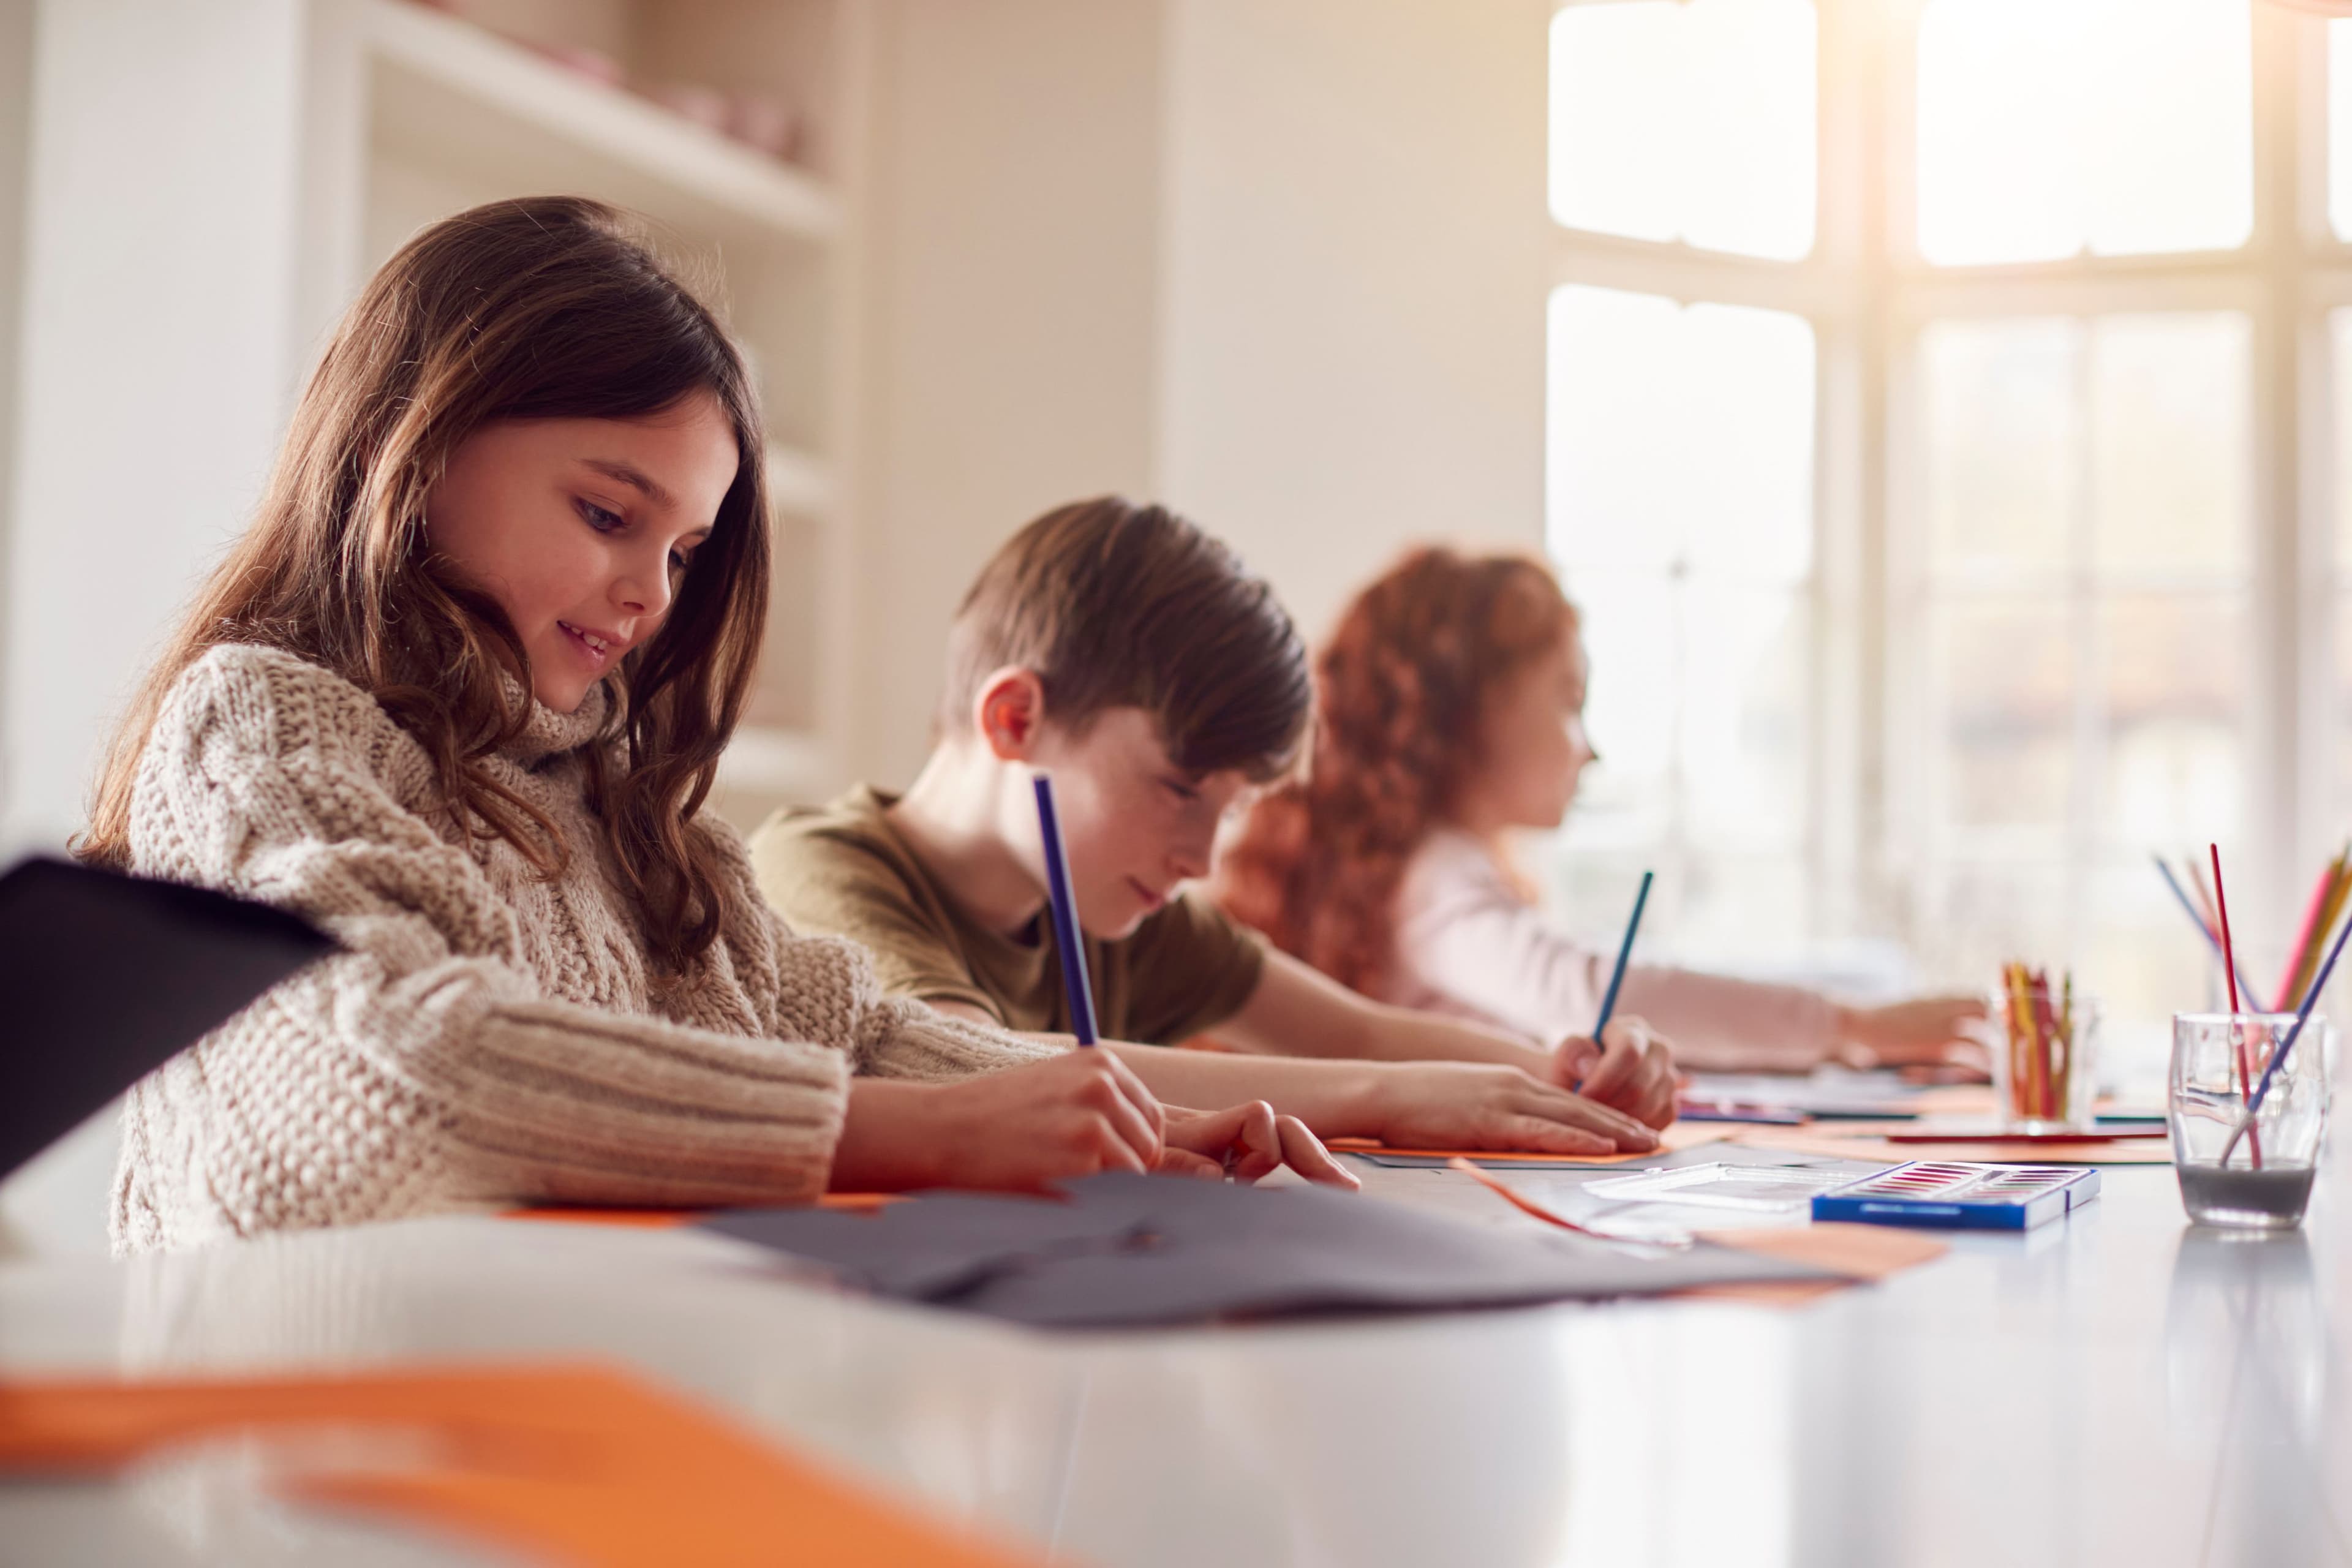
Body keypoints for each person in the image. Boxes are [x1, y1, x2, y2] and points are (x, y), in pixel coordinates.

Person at [81, 199, 1344, 1255]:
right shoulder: (260, 721)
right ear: (413, 442)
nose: (653, 593)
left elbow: (849, 1030)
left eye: (685, 548)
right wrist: (926, 1134)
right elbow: (410, 1061)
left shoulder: (608, 791)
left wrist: (1128, 1119)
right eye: (606, 514)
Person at [748, 499, 1678, 1155]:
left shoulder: (1105, 904)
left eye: (1227, 811)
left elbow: (1353, 1034)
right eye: (1179, 789)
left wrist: (1563, 1079)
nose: (1198, 860)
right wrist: (1391, 1102)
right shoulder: (818, 870)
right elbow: (977, 1069)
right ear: (1017, 722)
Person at [1215, 546, 1986, 1075]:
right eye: (1569, 701)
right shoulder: (1432, 876)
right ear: (1469, 713)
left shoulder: (1417, 867)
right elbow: (1586, 995)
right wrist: (1851, 1027)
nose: (1590, 749)